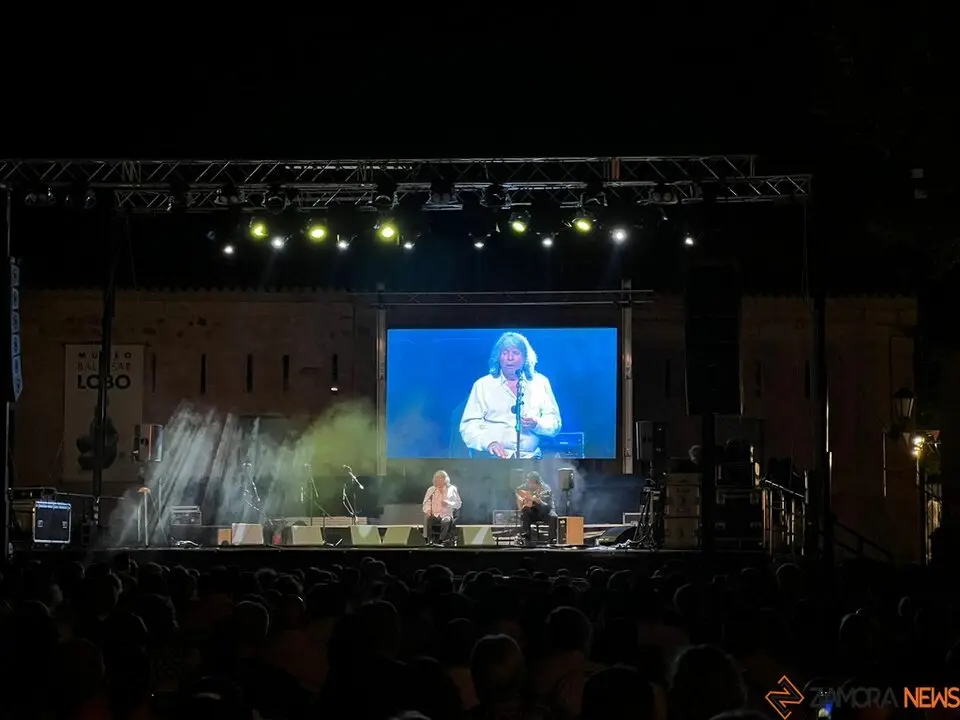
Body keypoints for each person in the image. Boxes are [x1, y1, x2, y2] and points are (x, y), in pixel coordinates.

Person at [459, 331, 561, 459]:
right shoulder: (482, 385)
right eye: (505, 353)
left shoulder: (540, 383)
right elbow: (468, 426)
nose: (510, 358)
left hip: (530, 458)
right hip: (491, 459)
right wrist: (488, 443)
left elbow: (555, 424)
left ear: (525, 358)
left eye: (516, 353)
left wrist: (537, 424)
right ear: (498, 357)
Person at [422, 470, 462, 546]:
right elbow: (426, 502)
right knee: (427, 518)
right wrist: (428, 510)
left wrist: (448, 503)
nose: (439, 480)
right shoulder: (431, 490)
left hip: (446, 515)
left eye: (441, 478)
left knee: (445, 521)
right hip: (435, 514)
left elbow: (458, 504)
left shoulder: (452, 489)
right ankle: (429, 540)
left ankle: (441, 541)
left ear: (445, 479)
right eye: (437, 479)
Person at [516, 471, 557, 545]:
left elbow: (548, 506)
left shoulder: (545, 489)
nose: (529, 485)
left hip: (544, 511)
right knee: (525, 511)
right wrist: (521, 499)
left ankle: (551, 539)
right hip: (533, 512)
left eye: (532, 483)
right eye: (528, 482)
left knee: (553, 517)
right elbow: (517, 491)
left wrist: (539, 501)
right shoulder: (525, 486)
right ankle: (526, 537)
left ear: (537, 482)